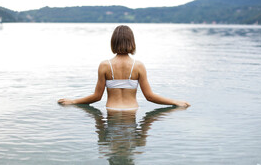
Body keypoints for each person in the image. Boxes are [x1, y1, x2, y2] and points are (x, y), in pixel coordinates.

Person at [58, 25, 190, 109]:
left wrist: (73, 101)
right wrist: (175, 102)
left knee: (111, 148)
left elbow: (96, 97)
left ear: (113, 42)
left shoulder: (105, 65)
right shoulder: (138, 66)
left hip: (111, 111)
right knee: (131, 150)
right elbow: (150, 97)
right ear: (132, 42)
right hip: (131, 111)